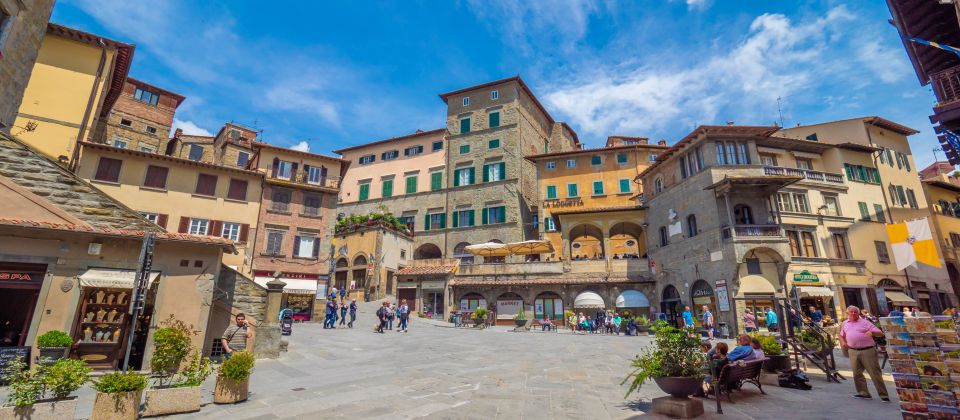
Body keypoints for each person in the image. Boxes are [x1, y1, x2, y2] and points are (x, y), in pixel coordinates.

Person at [839, 305, 889, 402]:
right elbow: (841, 335)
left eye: (855, 312)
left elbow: (880, 333)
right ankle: (863, 393)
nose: (853, 313)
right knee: (857, 374)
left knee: (874, 373)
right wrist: (843, 342)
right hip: (853, 351)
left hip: (867, 350)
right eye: (851, 312)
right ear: (847, 313)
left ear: (858, 313)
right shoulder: (845, 323)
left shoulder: (865, 322)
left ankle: (883, 395)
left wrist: (872, 333)